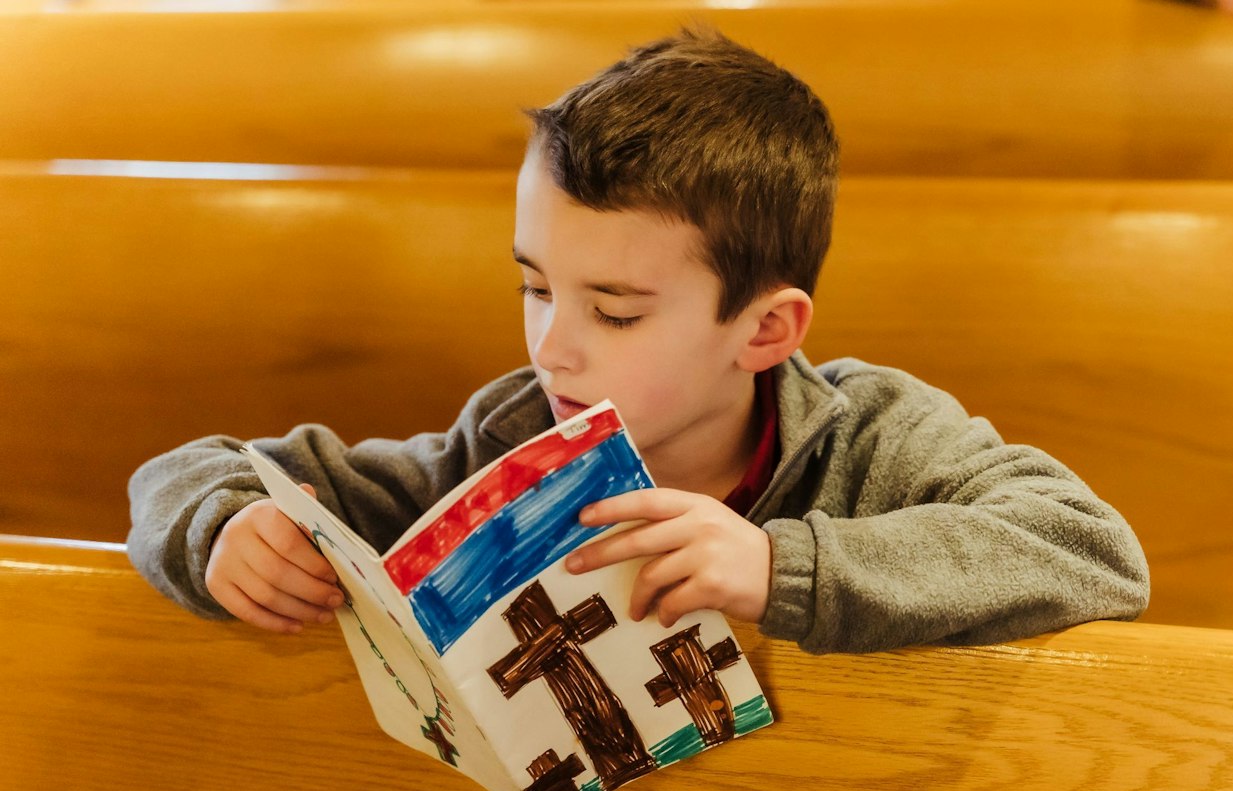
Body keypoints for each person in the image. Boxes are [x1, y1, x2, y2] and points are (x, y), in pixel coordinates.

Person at [128, 27, 1149, 656]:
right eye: (534, 285)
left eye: (614, 309)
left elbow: (1093, 552)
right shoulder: (510, 438)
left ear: (763, 329)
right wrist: (220, 529)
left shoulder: (869, 436)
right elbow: (192, 475)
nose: (552, 347)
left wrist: (775, 565)